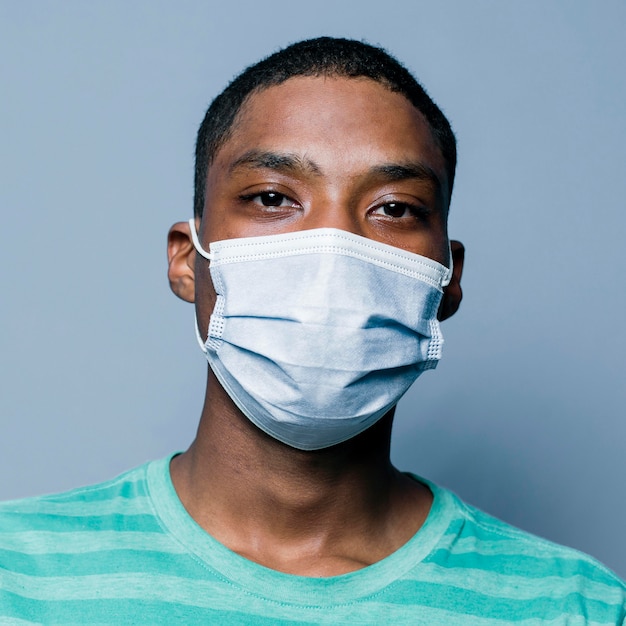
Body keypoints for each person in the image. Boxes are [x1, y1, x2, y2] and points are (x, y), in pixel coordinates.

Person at [1, 36, 624, 625]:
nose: (334, 250)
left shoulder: (576, 606)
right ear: (188, 259)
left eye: (394, 208)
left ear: (447, 277)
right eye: (273, 198)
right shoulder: (16, 576)